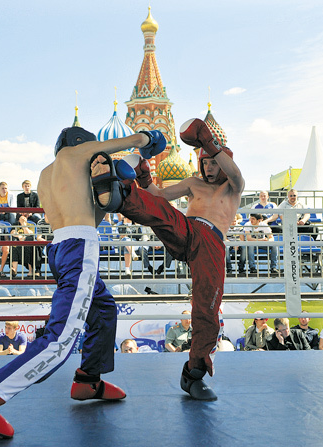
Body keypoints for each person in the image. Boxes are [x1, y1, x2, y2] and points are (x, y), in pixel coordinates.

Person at [0, 126, 162, 440]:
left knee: (103, 310)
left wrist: (125, 169)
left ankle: (88, 380)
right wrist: (148, 141)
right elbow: (131, 141)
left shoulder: (49, 174)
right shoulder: (76, 154)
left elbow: (93, 209)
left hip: (61, 248)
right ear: (83, 145)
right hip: (80, 250)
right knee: (60, 339)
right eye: (94, 148)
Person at [92, 118, 245, 400]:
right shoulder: (193, 184)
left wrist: (210, 143)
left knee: (207, 310)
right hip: (187, 229)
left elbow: (236, 175)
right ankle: (120, 192)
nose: (210, 168)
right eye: (206, 163)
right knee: (162, 212)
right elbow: (159, 196)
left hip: (211, 245)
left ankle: (194, 374)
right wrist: (144, 179)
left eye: (214, 163)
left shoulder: (231, 188)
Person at [10, 213, 41, 278]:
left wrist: (24, 225)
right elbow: (12, 232)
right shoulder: (16, 225)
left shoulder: (31, 225)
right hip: (19, 246)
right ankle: (14, 269)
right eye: (21, 219)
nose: (23, 219)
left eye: (24, 218)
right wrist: (19, 236)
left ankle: (31, 270)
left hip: (28, 246)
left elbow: (30, 234)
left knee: (29, 242)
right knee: (14, 244)